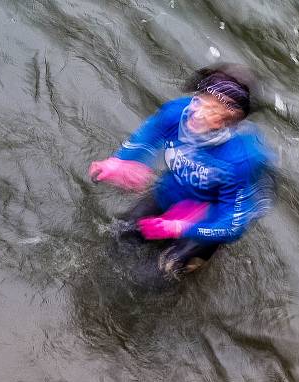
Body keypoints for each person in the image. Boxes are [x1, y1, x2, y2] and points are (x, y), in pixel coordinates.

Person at [89, 64, 274, 280]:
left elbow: (232, 225)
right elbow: (148, 136)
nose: (199, 114)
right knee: (119, 237)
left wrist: (180, 227)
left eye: (214, 110)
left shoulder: (244, 158)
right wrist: (121, 162)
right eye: (202, 100)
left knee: (155, 277)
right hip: (168, 195)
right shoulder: (176, 114)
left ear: (230, 121)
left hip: (205, 221)